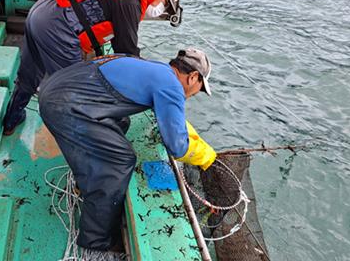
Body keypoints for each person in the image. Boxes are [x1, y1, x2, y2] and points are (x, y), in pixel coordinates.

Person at [38, 48, 217, 258]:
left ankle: (85, 184)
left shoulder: (158, 70)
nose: (195, 93)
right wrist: (208, 156)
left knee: (122, 121)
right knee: (117, 162)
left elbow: (172, 120)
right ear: (193, 77)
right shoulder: (172, 87)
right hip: (65, 105)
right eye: (199, 88)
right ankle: (94, 245)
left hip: (55, 87)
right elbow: (177, 146)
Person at [2, 0, 181, 135]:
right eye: (165, 4)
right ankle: (86, 143)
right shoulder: (130, 0)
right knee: (76, 91)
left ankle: (11, 119)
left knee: (30, 74)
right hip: (57, 28)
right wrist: (152, 83)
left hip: (42, 10)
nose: (161, 9)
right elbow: (127, 54)